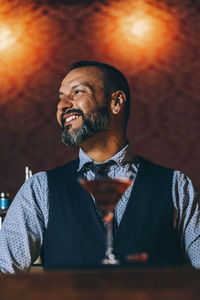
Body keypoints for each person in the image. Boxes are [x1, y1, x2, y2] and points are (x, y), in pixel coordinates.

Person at [0, 61, 199, 273]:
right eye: (60, 98)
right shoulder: (39, 189)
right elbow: (4, 276)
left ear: (116, 102)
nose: (62, 105)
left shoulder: (176, 186)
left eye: (77, 92)